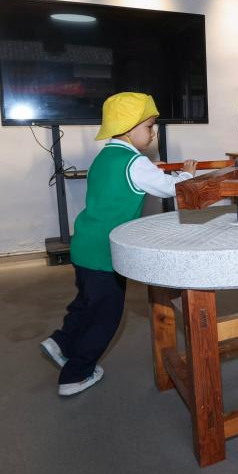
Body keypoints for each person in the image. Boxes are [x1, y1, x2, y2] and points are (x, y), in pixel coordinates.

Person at [41, 92, 197, 397]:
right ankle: (75, 374)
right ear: (128, 128)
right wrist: (187, 175)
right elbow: (170, 189)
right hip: (106, 252)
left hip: (84, 245)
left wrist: (152, 169)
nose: (153, 133)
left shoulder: (104, 157)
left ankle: (61, 342)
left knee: (86, 302)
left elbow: (127, 180)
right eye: (149, 126)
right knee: (105, 317)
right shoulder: (136, 163)